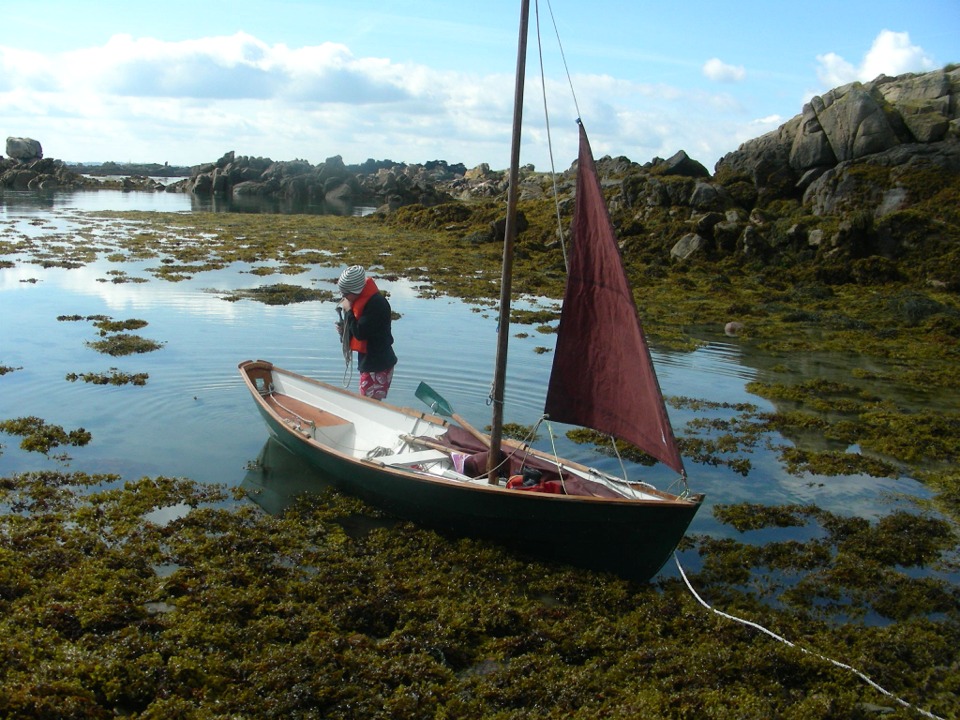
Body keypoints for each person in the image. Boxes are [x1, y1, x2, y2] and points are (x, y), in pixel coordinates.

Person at [334, 265, 397, 399]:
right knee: (369, 402)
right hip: (371, 362)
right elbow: (355, 330)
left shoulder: (376, 304)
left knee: (369, 403)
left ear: (355, 290)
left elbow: (360, 333)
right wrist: (343, 330)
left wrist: (349, 311)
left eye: (345, 294)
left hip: (378, 364)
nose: (344, 297)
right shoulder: (359, 302)